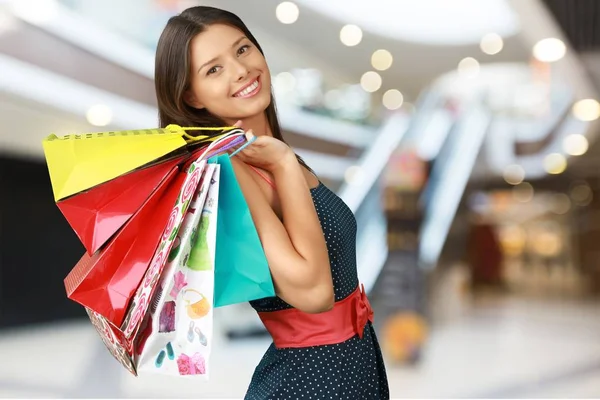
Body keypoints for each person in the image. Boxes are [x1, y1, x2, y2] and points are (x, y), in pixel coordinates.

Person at [154, 6, 389, 399]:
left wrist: (283, 161)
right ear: (190, 96)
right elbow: (313, 295)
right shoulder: (229, 171)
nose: (240, 70)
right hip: (311, 381)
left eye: (242, 49)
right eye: (214, 69)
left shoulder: (271, 154)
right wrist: (282, 163)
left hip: (348, 366)